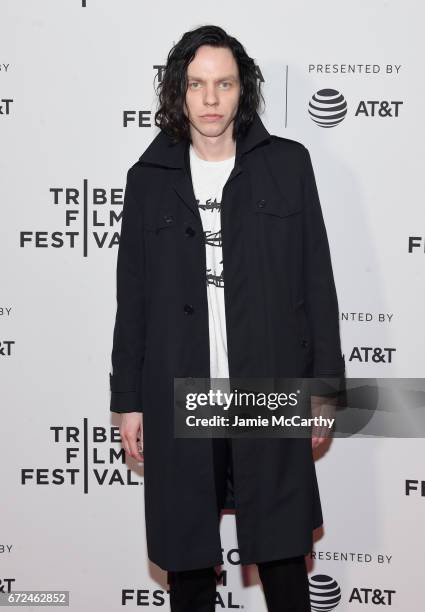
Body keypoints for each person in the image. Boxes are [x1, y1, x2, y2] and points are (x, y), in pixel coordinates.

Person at [109, 24, 345, 612]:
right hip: (179, 388)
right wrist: (128, 399)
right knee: (188, 560)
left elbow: (317, 283)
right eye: (196, 84)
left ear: (244, 91)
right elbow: (132, 298)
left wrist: (323, 392)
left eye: (224, 83)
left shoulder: (288, 165)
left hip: (267, 384)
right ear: (177, 92)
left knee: (284, 553)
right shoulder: (148, 180)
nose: (210, 99)